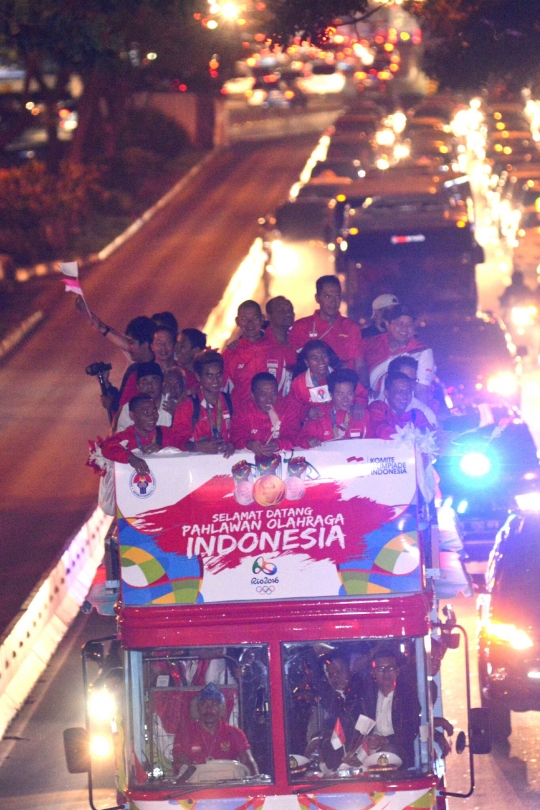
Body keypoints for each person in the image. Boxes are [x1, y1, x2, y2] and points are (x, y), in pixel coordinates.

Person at [289, 276, 368, 387]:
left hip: (344, 389)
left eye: (337, 297)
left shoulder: (351, 327)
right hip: (312, 390)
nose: (333, 302)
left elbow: (360, 365)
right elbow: (295, 365)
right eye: (327, 296)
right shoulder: (302, 326)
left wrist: (364, 390)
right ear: (317, 298)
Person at [172, 683, 258, 775]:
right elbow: (181, 764)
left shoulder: (235, 733)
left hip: (228, 786)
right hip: (197, 787)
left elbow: (248, 762)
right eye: (204, 704)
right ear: (197, 708)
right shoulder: (185, 734)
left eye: (214, 704)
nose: (209, 709)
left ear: (221, 708)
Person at [357, 648, 420, 769]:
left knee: (387, 752)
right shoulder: (367, 696)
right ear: (374, 673)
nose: (386, 673)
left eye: (390, 668)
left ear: (397, 671)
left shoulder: (407, 696)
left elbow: (411, 730)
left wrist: (384, 740)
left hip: (397, 751)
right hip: (368, 750)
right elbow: (358, 726)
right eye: (381, 669)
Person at [223, 301, 292, 408]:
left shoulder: (278, 349)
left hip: (274, 416)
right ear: (237, 321)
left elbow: (289, 384)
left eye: (254, 318)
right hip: (242, 417)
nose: (250, 324)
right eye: (244, 319)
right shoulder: (230, 353)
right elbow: (221, 389)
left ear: (262, 319)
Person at [306, 651, 365, 771]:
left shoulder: (362, 695)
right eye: (331, 674)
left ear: (349, 671)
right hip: (333, 765)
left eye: (338, 672)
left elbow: (365, 729)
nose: (335, 678)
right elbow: (319, 727)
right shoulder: (326, 698)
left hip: (361, 760)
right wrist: (315, 740)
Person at [364, 305, 434, 403]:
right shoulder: (370, 344)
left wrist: (418, 415)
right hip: (370, 407)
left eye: (409, 324)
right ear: (388, 324)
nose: (404, 329)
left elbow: (422, 389)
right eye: (399, 323)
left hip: (403, 410)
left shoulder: (422, 351)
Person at [173, 350, 235, 458]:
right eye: (209, 376)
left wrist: (233, 445)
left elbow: (240, 433)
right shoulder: (188, 405)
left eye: (219, 375)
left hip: (225, 463)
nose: (215, 380)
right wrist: (196, 447)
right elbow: (176, 440)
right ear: (198, 377)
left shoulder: (230, 401)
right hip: (196, 467)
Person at [101, 394, 182, 475]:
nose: (152, 416)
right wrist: (130, 458)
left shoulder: (166, 433)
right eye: (145, 412)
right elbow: (107, 448)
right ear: (132, 416)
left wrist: (163, 451)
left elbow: (184, 448)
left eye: (154, 411)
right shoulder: (126, 436)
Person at [290, 340, 367, 421]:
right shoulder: (299, 383)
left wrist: (358, 403)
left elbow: (361, 393)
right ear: (307, 362)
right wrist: (306, 412)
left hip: (343, 422)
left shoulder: (341, 375)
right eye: (314, 358)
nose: (321, 361)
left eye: (324, 356)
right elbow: (293, 408)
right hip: (316, 427)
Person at [230, 372, 299, 455]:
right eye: (263, 395)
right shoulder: (243, 411)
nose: (269, 400)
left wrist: (277, 444)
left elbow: (293, 436)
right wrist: (249, 444)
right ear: (253, 395)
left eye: (273, 393)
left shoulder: (286, 407)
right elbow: (236, 437)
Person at [298, 369, 371, 447]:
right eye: (340, 394)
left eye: (349, 393)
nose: (345, 399)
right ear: (331, 394)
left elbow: (373, 443)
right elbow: (300, 439)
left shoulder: (362, 414)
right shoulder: (319, 414)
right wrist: (309, 441)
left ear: (354, 394)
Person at [368, 372, 431, 439]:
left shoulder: (416, 415)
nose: (405, 396)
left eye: (409, 392)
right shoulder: (378, 408)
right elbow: (382, 431)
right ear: (387, 393)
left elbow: (430, 435)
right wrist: (409, 437)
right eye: (400, 392)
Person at [116, 362, 173, 431]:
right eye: (145, 382)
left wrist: (176, 415)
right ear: (138, 387)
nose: (149, 386)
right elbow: (121, 438)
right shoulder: (129, 408)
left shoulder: (172, 405)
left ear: (162, 384)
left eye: (154, 381)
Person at [385, 356, 438, 427]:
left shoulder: (424, 411)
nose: (410, 384)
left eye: (413, 381)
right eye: (404, 378)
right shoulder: (374, 405)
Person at [264, 296, 297, 366]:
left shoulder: (298, 340)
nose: (288, 314)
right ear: (268, 316)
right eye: (281, 311)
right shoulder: (259, 341)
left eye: (290, 310)